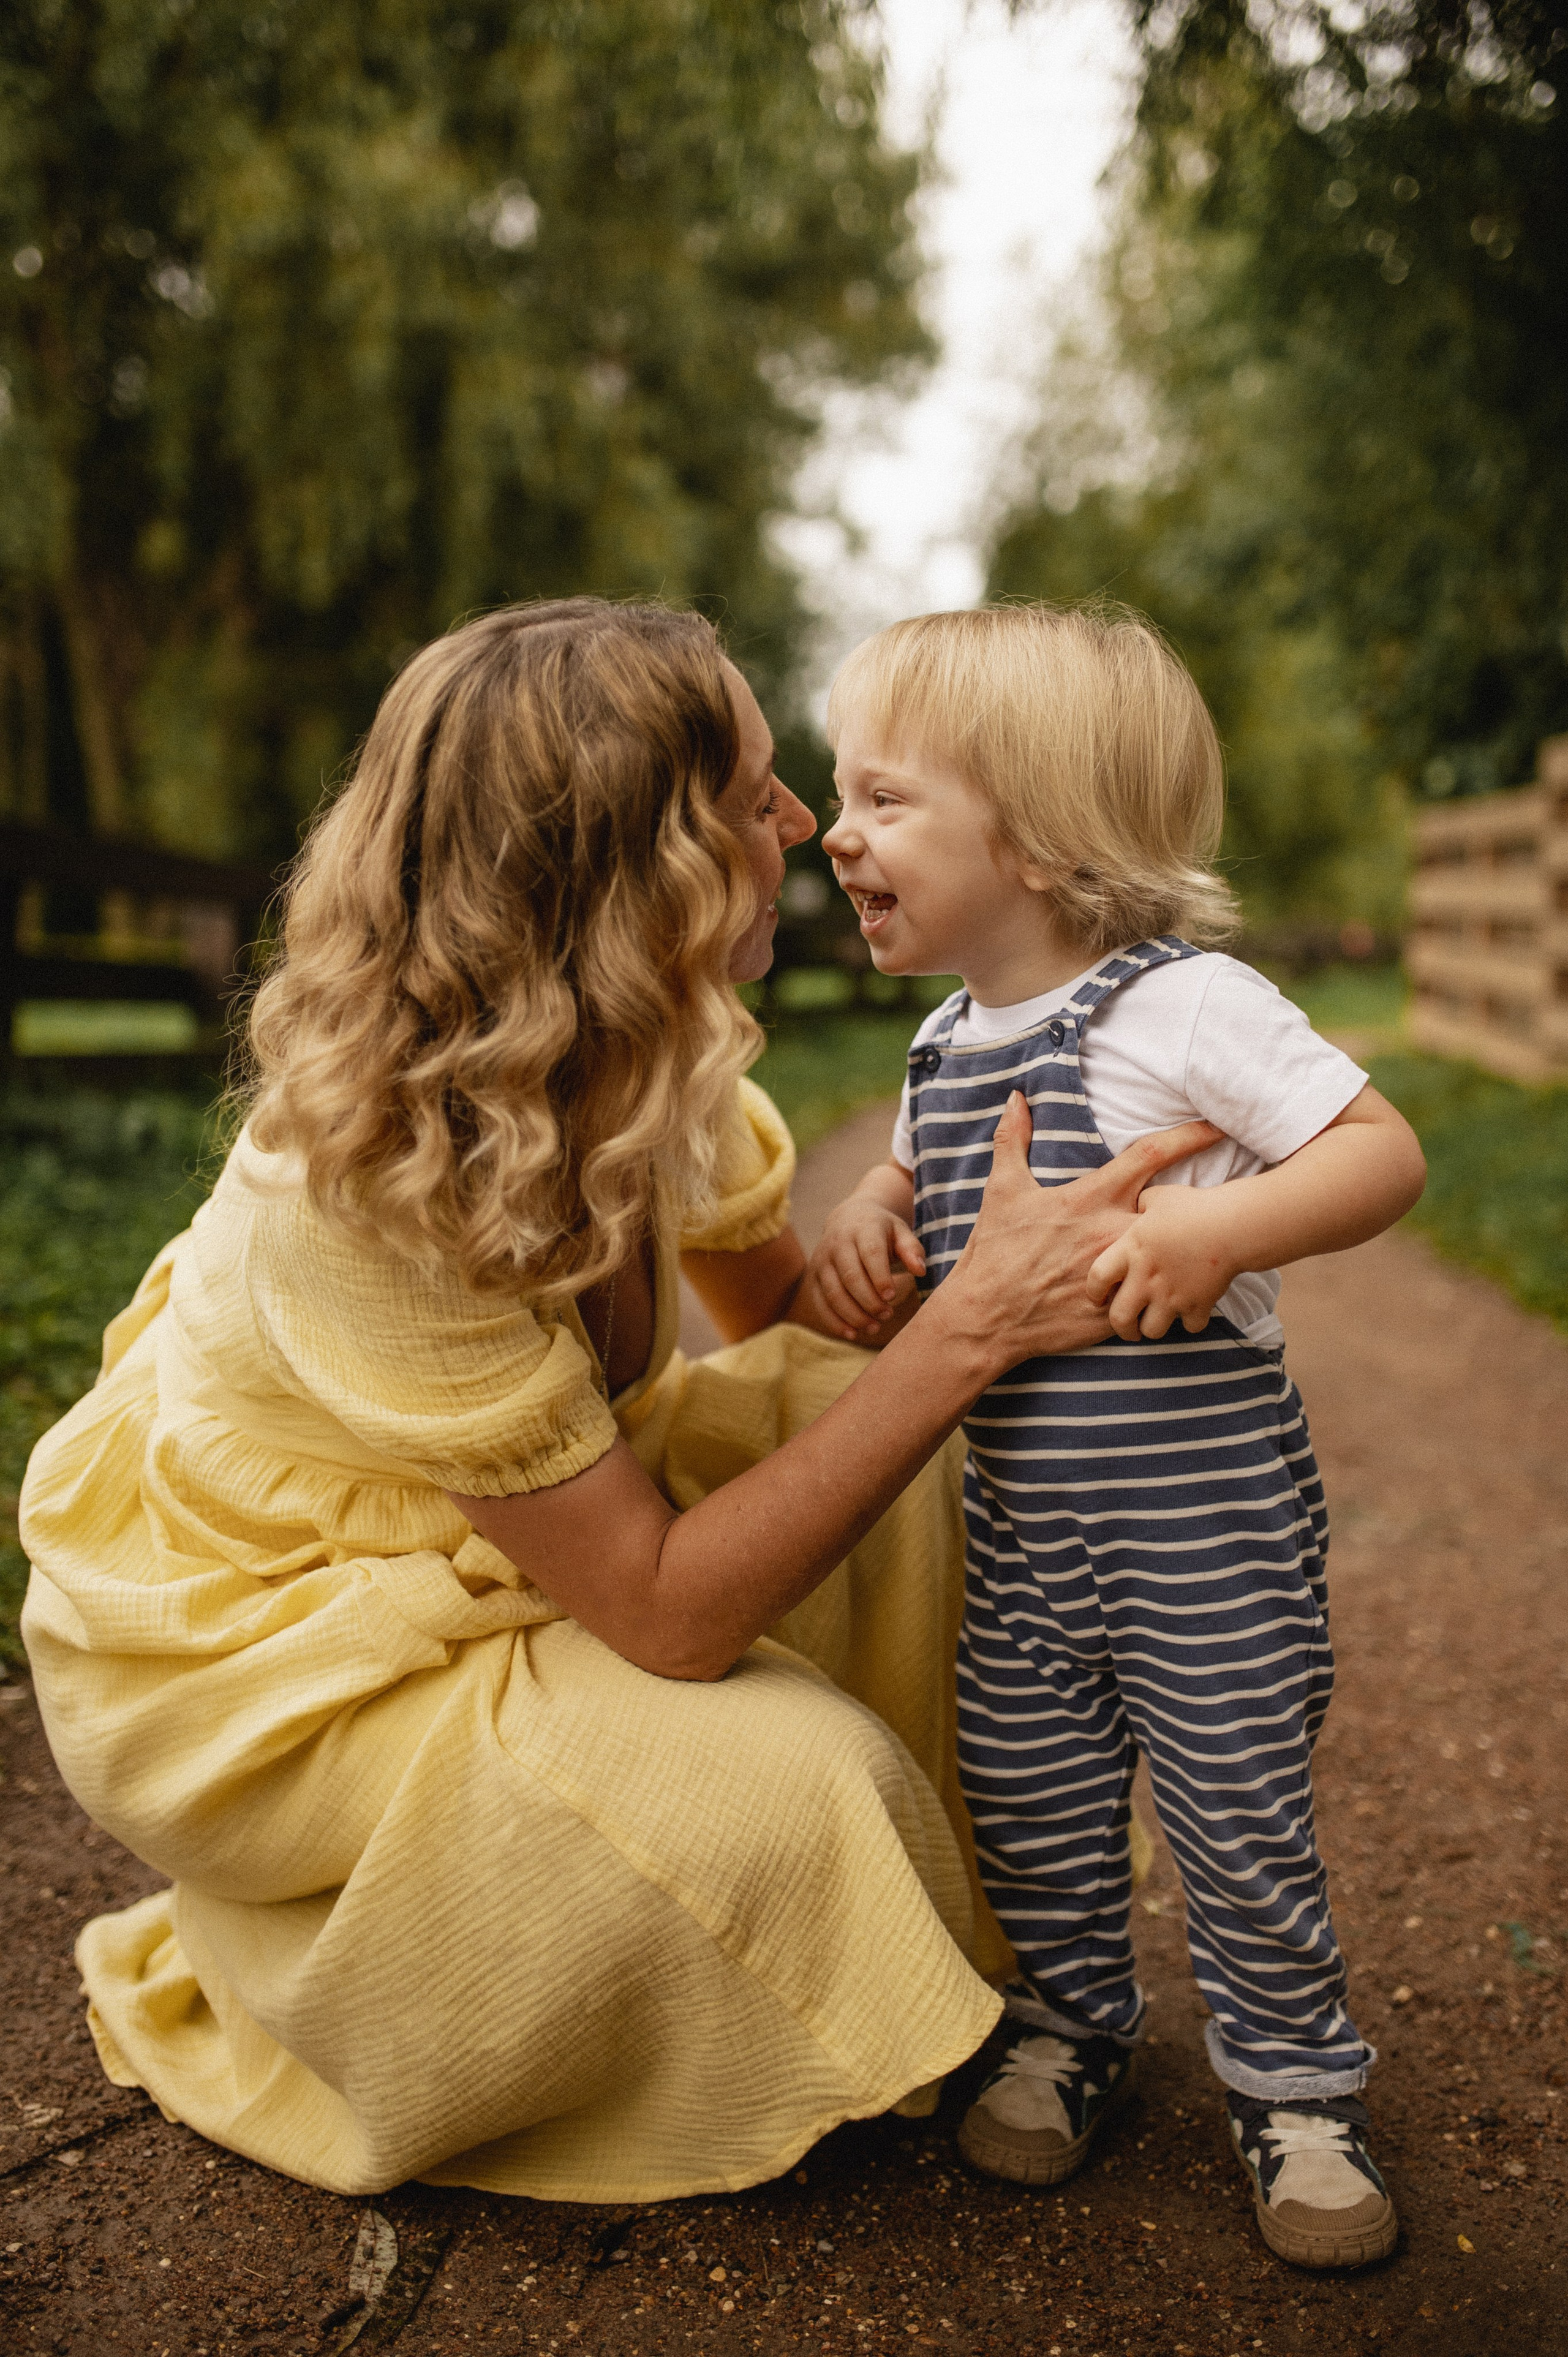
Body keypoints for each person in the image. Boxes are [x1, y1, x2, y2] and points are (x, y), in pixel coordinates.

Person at [19, 597, 1216, 2203]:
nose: (802, 829)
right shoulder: (363, 1194)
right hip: (281, 1650)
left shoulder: (651, 1048)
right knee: (805, 1794)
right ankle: (301, 1957)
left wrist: (905, 1258)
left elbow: (791, 1325)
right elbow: (664, 1616)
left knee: (934, 1441)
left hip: (523, 1545)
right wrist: (968, 1333)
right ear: (630, 867)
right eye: (753, 801)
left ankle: (974, 1949)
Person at [807, 603, 1427, 2271]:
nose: (831, 833)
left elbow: (1378, 1153)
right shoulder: (944, 1043)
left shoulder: (1185, 1007)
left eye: (877, 799)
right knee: (1031, 1796)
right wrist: (877, 1209)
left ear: (1031, 830)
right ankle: (1070, 2026)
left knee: (1236, 1815)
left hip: (1205, 1536)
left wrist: (1222, 1239)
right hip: (1028, 1539)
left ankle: (1298, 2092)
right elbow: (934, 1186)